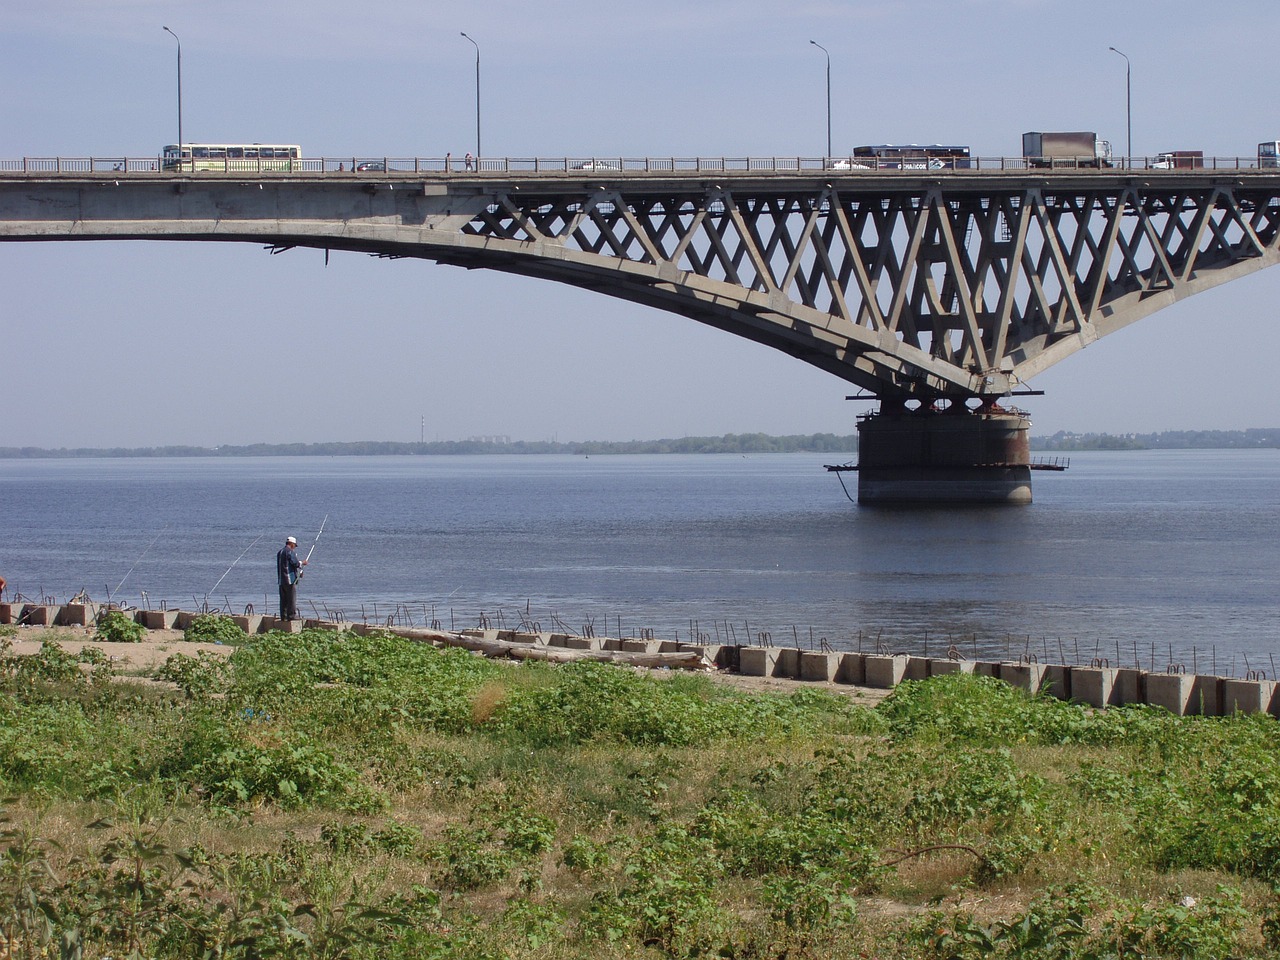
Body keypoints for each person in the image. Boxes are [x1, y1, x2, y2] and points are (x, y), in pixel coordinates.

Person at [276, 536, 307, 621]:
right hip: (289, 580)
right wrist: (302, 563)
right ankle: (291, 616)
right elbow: (295, 563)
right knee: (291, 599)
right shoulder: (289, 552)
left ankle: (284, 616)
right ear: (292, 544)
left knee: (283, 600)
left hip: (281, 580)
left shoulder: (280, 552)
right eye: (294, 545)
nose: (294, 547)